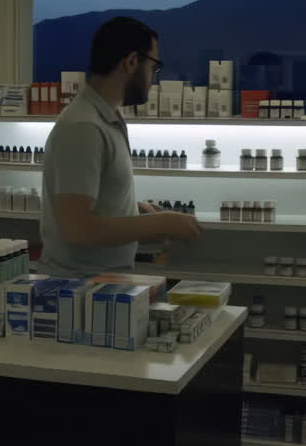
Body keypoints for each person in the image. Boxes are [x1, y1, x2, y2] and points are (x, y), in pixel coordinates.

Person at [38, 16, 200, 277]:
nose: (153, 78)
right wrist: (160, 223)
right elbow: (77, 229)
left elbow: (92, 203)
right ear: (131, 62)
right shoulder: (84, 127)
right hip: (77, 289)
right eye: (154, 67)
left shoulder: (107, 117)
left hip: (100, 282)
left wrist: (130, 209)